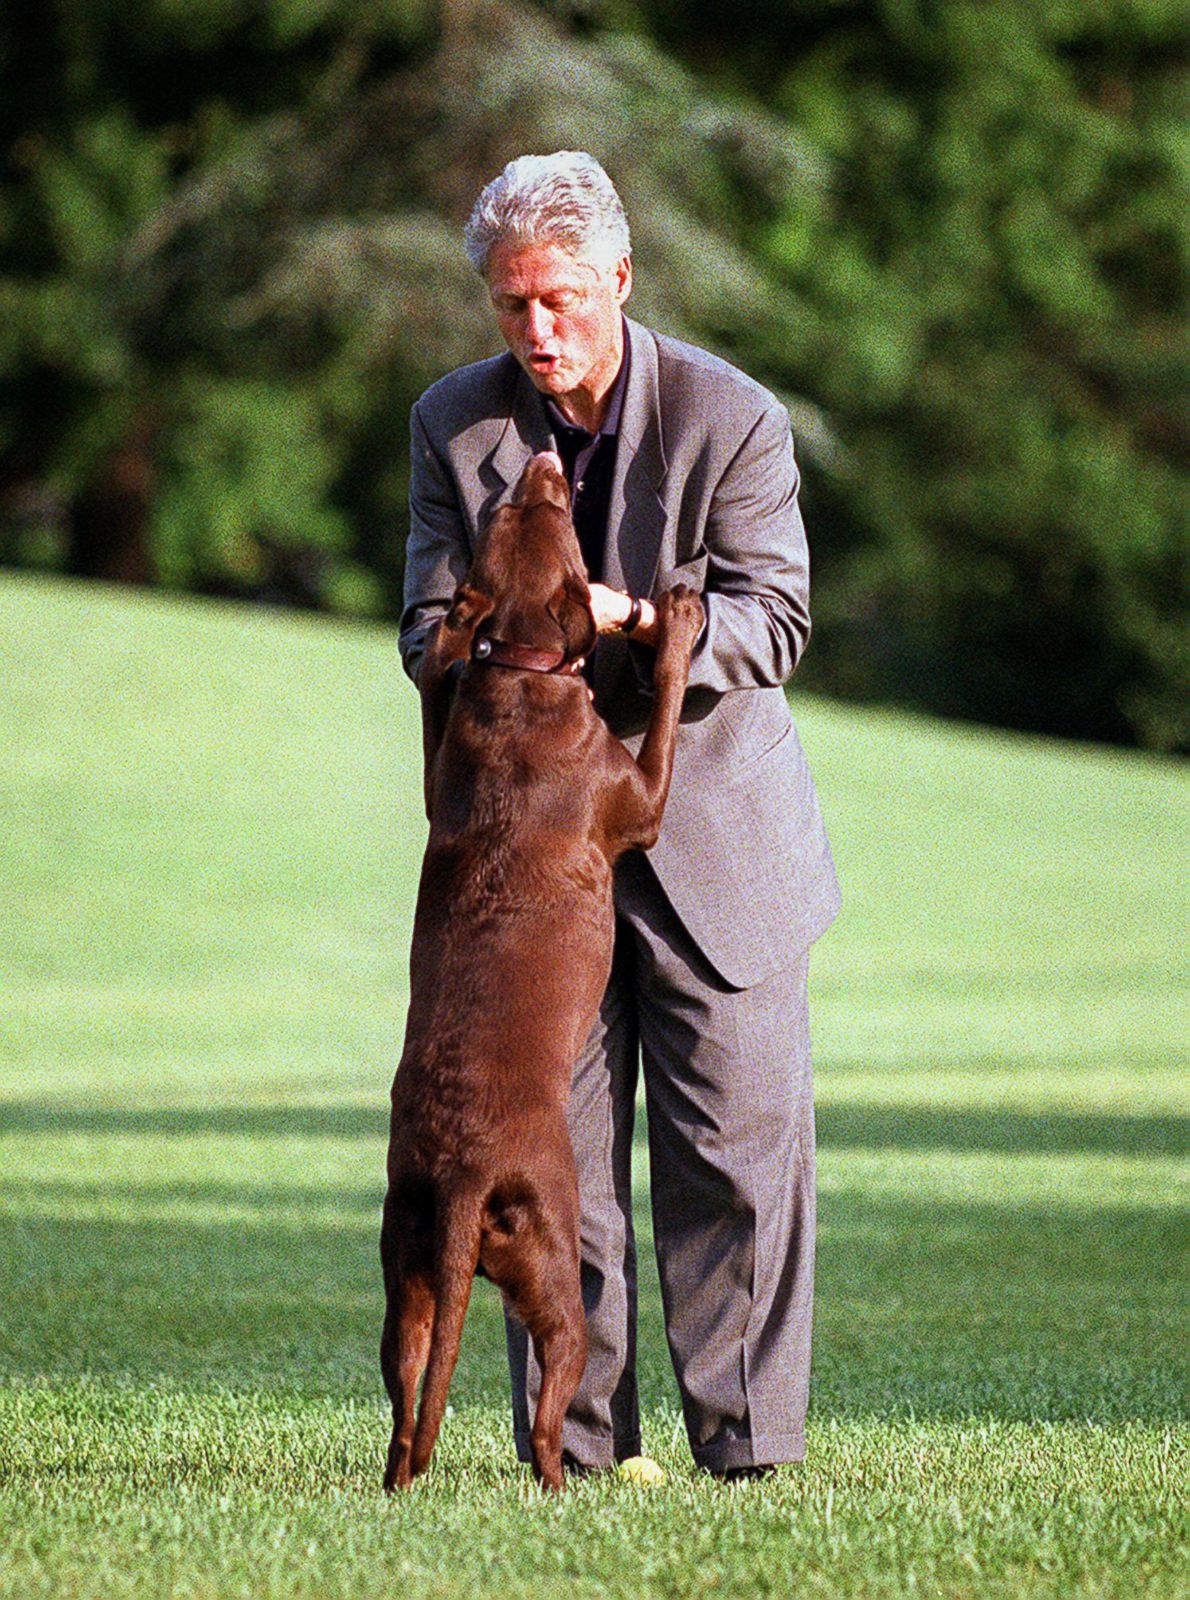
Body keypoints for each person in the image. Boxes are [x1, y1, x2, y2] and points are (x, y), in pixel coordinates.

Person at [398, 151, 840, 1478]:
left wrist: (638, 623)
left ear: (620, 282)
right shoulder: (452, 424)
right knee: (551, 1171)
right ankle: (574, 1454)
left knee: (735, 1167)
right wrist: (503, 639)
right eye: (510, 305)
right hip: (525, 878)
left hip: (716, 850)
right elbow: (425, 624)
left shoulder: (730, 418)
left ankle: (748, 1455)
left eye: (560, 301)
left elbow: (773, 619)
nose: (536, 332)